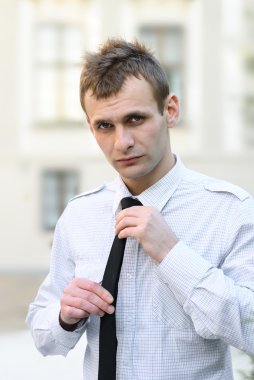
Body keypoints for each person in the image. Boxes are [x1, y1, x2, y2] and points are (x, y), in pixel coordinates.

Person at [26, 38, 254, 380]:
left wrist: (173, 255)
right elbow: (44, 337)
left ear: (170, 110)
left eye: (135, 119)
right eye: (105, 125)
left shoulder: (229, 210)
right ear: (91, 127)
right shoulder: (79, 215)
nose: (122, 142)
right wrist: (64, 315)